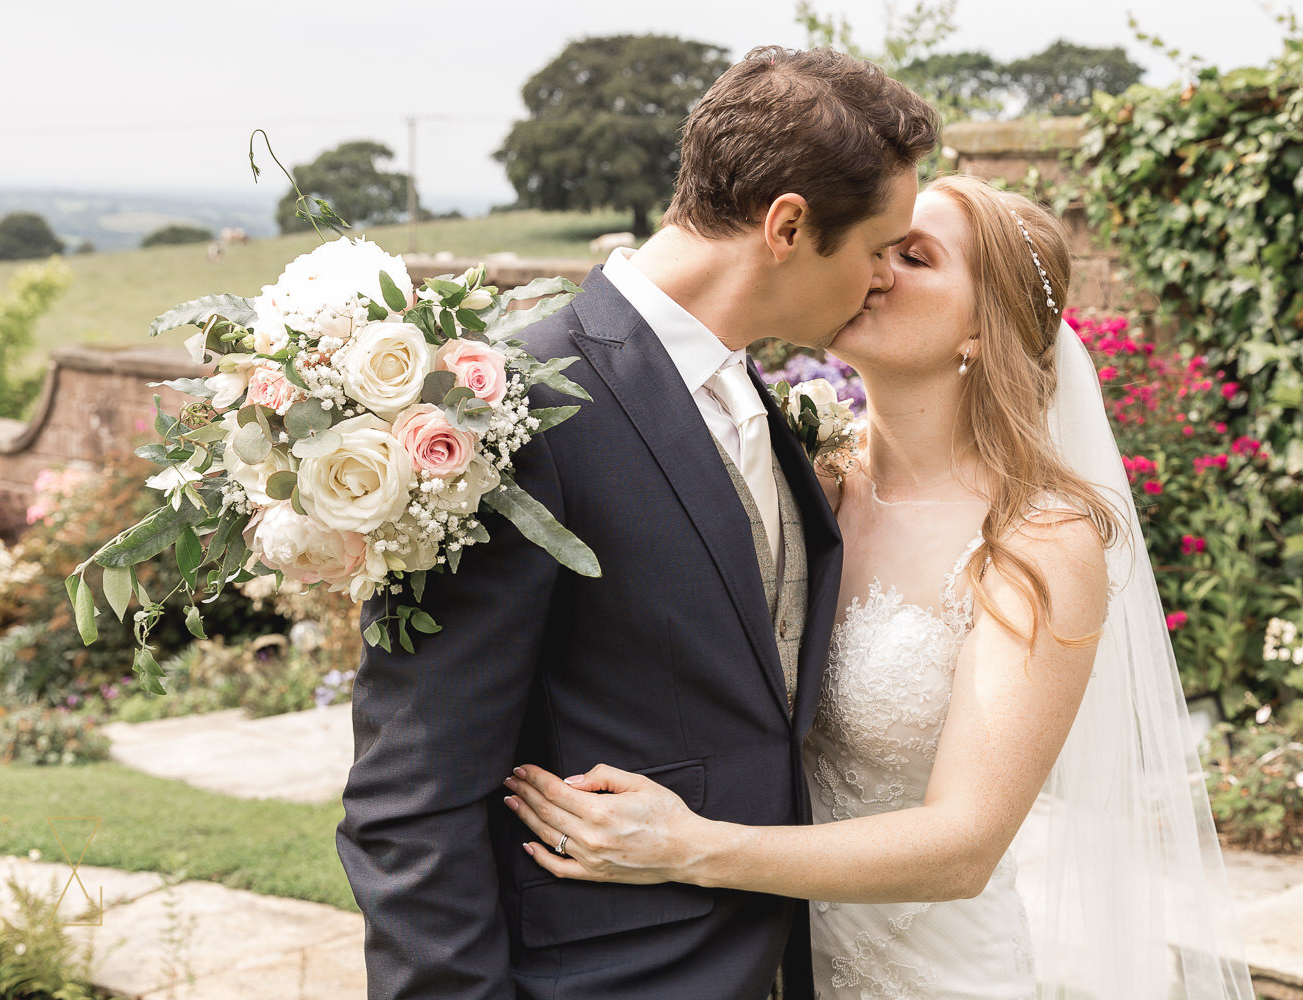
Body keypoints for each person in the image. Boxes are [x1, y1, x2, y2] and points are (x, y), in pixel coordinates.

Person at [503, 175, 1258, 1000]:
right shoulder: (805, 477)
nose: (874, 269)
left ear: (982, 326)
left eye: (915, 256)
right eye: (877, 246)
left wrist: (688, 845)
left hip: (927, 971)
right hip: (753, 958)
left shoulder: (1037, 539)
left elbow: (964, 846)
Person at [335, 46, 940, 1000]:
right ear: (788, 225)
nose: (880, 281)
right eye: (875, 249)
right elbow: (410, 801)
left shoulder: (757, 397)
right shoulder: (512, 413)